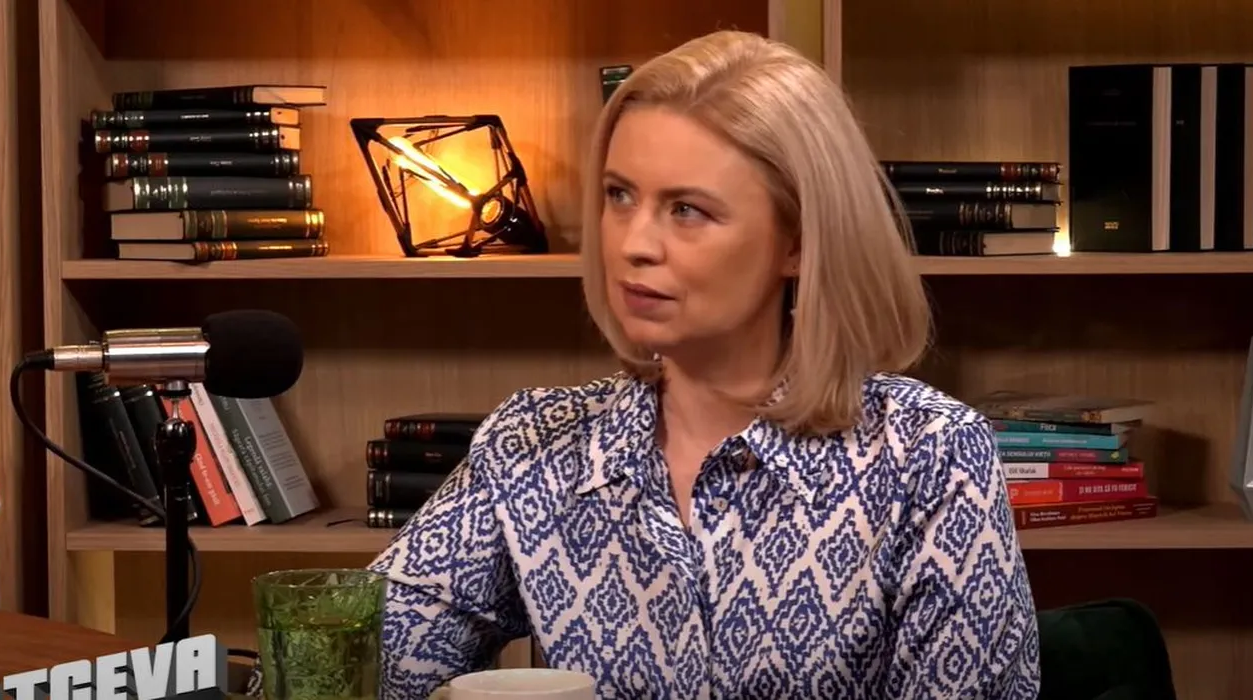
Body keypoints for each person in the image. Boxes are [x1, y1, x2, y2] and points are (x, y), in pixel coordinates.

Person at [364, 29, 1040, 699]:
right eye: (620, 195)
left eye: (686, 210)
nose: (634, 243)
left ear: (798, 243)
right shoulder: (536, 441)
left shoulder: (929, 455)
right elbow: (360, 659)